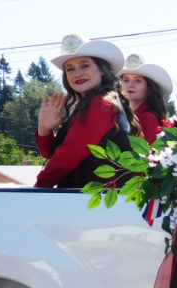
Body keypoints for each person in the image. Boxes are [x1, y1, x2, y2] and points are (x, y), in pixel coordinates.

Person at [34, 33, 141, 188]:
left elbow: (66, 159)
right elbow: (52, 154)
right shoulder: (95, 103)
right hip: (93, 202)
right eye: (70, 69)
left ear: (102, 70)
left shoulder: (102, 105)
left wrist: (35, 191)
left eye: (85, 65)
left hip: (95, 203)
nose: (77, 73)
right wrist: (44, 129)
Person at [117, 54, 173, 144]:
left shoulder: (148, 118)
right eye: (126, 80)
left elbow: (146, 155)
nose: (130, 85)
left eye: (137, 80)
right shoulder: (126, 115)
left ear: (149, 87)